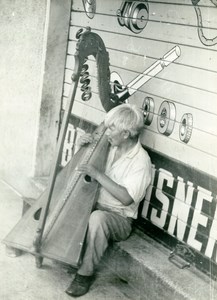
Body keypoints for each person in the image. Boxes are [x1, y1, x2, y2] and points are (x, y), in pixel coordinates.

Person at [65, 103, 152, 297]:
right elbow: (78, 170)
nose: (107, 132)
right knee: (71, 204)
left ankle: (84, 275)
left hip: (119, 217)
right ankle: (62, 254)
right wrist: (82, 147)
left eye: (112, 128)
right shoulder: (111, 146)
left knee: (97, 218)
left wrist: (97, 174)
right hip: (95, 205)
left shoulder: (141, 161)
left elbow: (126, 198)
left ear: (126, 133)